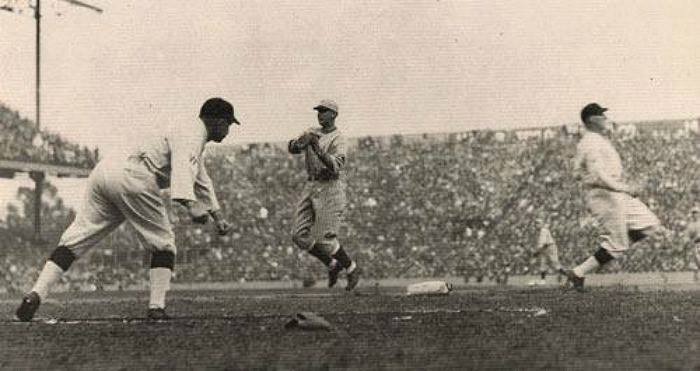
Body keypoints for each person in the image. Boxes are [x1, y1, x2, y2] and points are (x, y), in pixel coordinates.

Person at [15, 97, 237, 321]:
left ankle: (35, 294)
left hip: (106, 171)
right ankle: (156, 307)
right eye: (228, 124)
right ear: (218, 121)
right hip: (136, 175)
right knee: (164, 244)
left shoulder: (187, 131)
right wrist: (190, 204)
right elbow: (183, 169)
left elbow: (201, 179)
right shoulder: (193, 134)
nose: (228, 130)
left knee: (74, 240)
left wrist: (217, 216)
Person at [563, 103, 663, 292]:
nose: (606, 119)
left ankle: (579, 271)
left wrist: (621, 189)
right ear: (592, 120)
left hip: (615, 193)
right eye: (602, 116)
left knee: (649, 224)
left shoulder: (597, 139)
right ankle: (578, 273)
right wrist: (623, 187)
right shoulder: (590, 142)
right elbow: (598, 175)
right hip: (604, 194)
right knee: (618, 243)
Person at [288, 99, 360, 290]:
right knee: (298, 235)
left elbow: (336, 166)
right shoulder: (312, 131)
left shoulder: (339, 138)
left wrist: (317, 148)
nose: (320, 114)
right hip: (312, 184)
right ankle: (332, 264)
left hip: (330, 187)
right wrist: (298, 143)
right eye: (319, 111)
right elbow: (292, 148)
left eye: (324, 111)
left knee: (324, 238)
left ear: (334, 114)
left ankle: (351, 268)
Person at [528, 215, 563, 286]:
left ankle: (568, 276)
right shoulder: (539, 231)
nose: (536, 225)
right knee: (543, 264)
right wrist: (537, 252)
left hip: (550, 247)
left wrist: (536, 253)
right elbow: (540, 245)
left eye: (538, 223)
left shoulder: (543, 230)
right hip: (545, 249)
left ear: (542, 224)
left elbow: (543, 244)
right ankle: (543, 280)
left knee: (555, 264)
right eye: (536, 223)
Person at [685, 206, 700, 281]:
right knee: (696, 261)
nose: (695, 214)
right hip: (695, 244)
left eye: (696, 212)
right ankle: (696, 279)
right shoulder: (690, 225)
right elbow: (687, 236)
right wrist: (689, 241)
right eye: (693, 213)